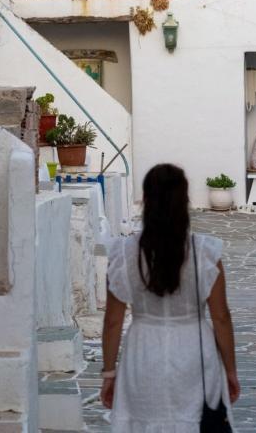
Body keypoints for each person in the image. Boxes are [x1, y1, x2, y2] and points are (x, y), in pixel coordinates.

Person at [100, 164, 241, 431]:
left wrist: (109, 373)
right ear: (185, 201)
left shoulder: (123, 255)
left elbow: (112, 321)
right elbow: (221, 317)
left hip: (143, 353)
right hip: (193, 351)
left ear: (146, 200)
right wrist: (231, 371)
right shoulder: (206, 253)